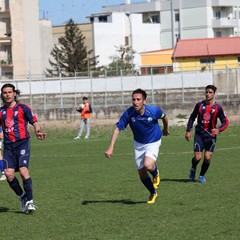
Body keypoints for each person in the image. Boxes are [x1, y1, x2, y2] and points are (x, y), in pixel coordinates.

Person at [105, 88, 169, 204]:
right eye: (133, 99)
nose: (135, 102)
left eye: (138, 99)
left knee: (148, 165)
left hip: (153, 140)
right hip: (139, 143)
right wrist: (111, 147)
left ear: (144, 101)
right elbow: (118, 129)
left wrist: (165, 129)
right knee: (142, 173)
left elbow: (164, 117)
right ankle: (153, 193)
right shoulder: (129, 113)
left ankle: (155, 173)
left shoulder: (153, 111)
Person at [0, 83, 46, 213]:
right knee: (8, 174)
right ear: (2, 95)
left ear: (14, 93)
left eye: (10, 92)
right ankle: (22, 196)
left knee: (23, 171)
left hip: (22, 143)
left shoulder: (23, 108)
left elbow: (34, 122)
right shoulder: (1, 112)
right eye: (5, 92)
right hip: (8, 146)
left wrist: (38, 131)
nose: (7, 94)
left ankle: (30, 202)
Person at [185, 85, 229, 183]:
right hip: (199, 135)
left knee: (208, 157)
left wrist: (218, 129)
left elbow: (225, 122)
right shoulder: (199, 105)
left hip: (211, 136)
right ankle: (193, 168)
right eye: (206, 92)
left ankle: (201, 175)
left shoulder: (218, 107)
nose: (208, 94)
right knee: (198, 157)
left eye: (210, 92)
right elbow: (192, 117)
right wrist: (188, 131)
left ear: (214, 94)